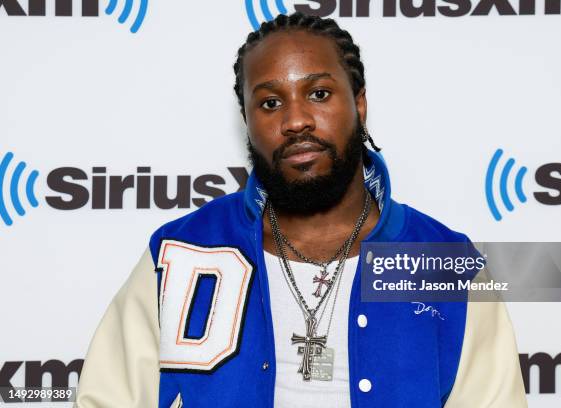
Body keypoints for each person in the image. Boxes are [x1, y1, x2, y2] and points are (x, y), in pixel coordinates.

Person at [74, 12, 527, 408]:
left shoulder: (441, 262)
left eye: (319, 94)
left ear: (360, 104)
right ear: (248, 121)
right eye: (270, 103)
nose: (295, 121)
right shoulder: (182, 252)